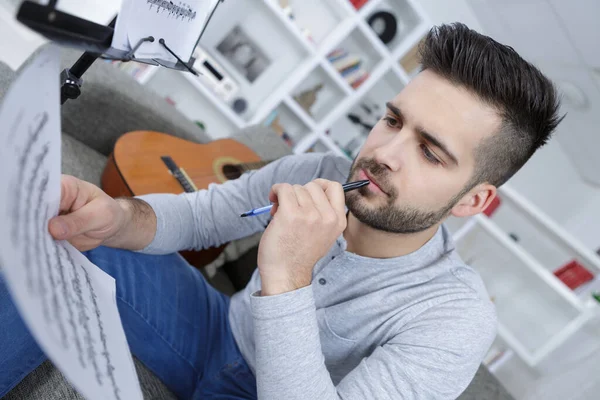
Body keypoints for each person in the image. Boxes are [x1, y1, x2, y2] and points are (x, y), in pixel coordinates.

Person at [0, 23, 563, 399]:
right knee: (49, 231)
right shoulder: (316, 170)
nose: (382, 154)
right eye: (392, 121)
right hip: (216, 327)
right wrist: (119, 218)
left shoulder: (454, 319)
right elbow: (200, 217)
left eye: (430, 152)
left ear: (473, 200)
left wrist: (288, 275)